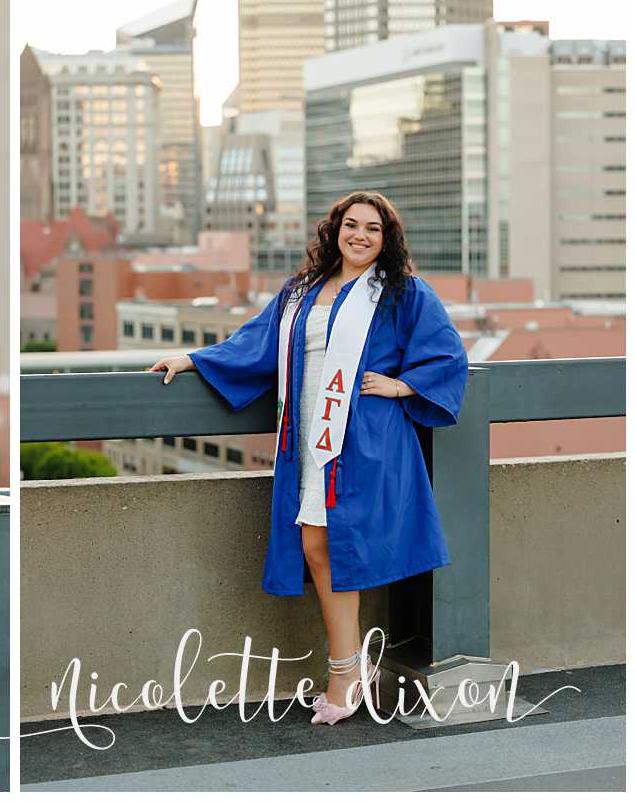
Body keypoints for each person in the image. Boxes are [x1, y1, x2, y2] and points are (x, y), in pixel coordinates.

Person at [150, 191, 467, 726]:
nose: (360, 235)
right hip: (303, 436)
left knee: (327, 542)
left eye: (373, 228)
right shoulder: (301, 291)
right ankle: (351, 665)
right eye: (351, 225)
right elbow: (256, 342)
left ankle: (344, 671)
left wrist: (401, 386)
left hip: (360, 438)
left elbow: (448, 354)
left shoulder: (401, 293)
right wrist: (192, 359)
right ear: (334, 230)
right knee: (316, 544)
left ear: (386, 238)